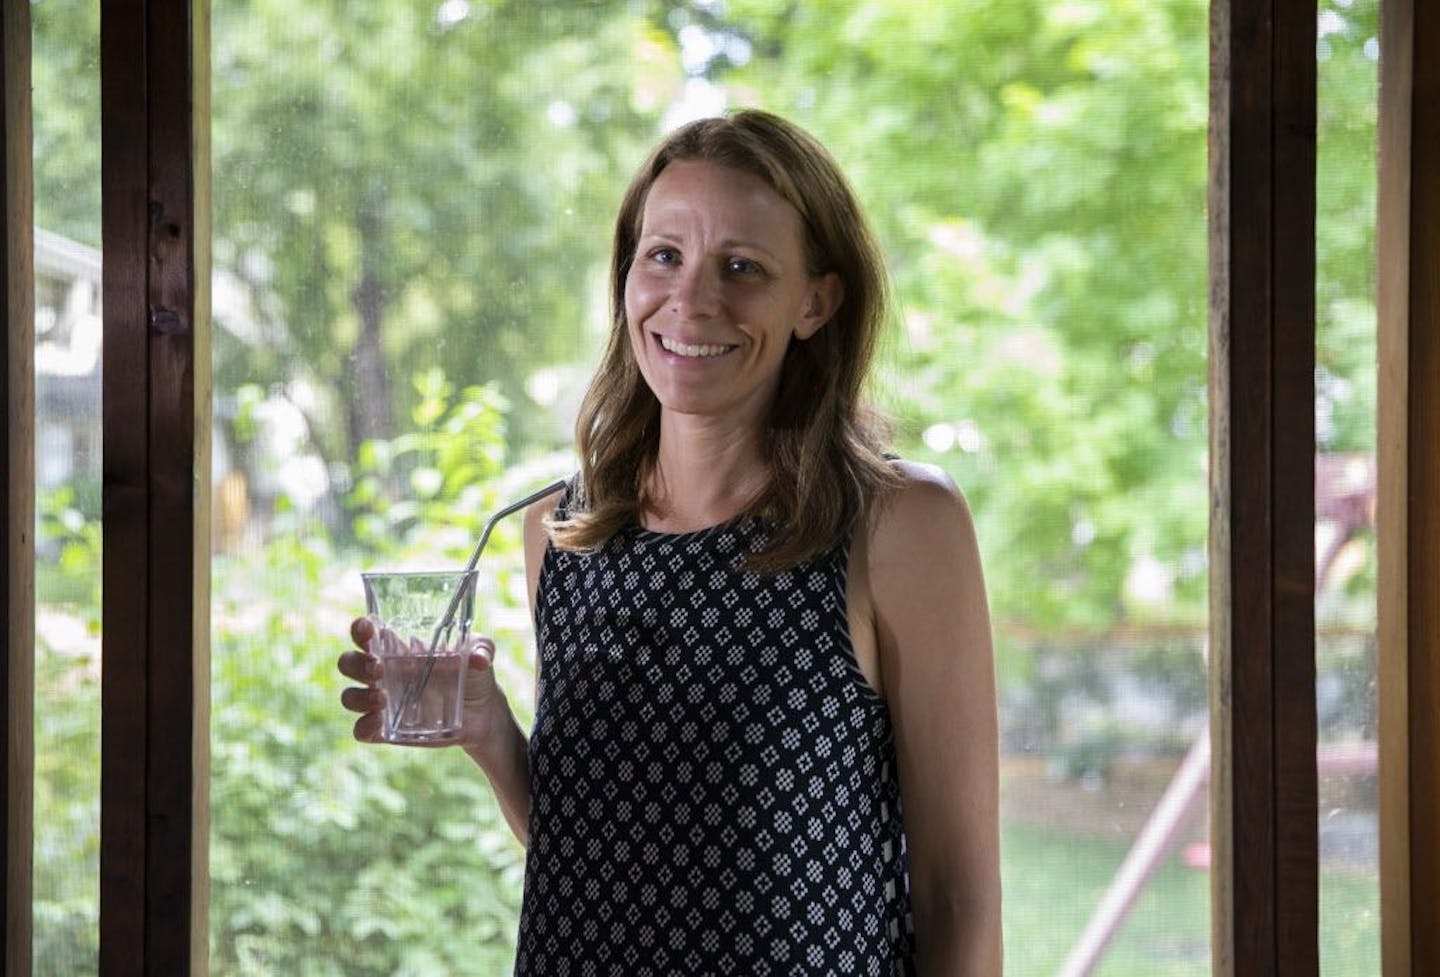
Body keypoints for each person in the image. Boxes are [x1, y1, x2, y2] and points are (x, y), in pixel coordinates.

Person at [339, 108, 1001, 976]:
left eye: (742, 267)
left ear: (816, 301)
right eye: (664, 256)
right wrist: (492, 736)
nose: (691, 301)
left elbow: (960, 901)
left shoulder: (897, 525)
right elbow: (610, 863)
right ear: (627, 276)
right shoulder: (561, 531)